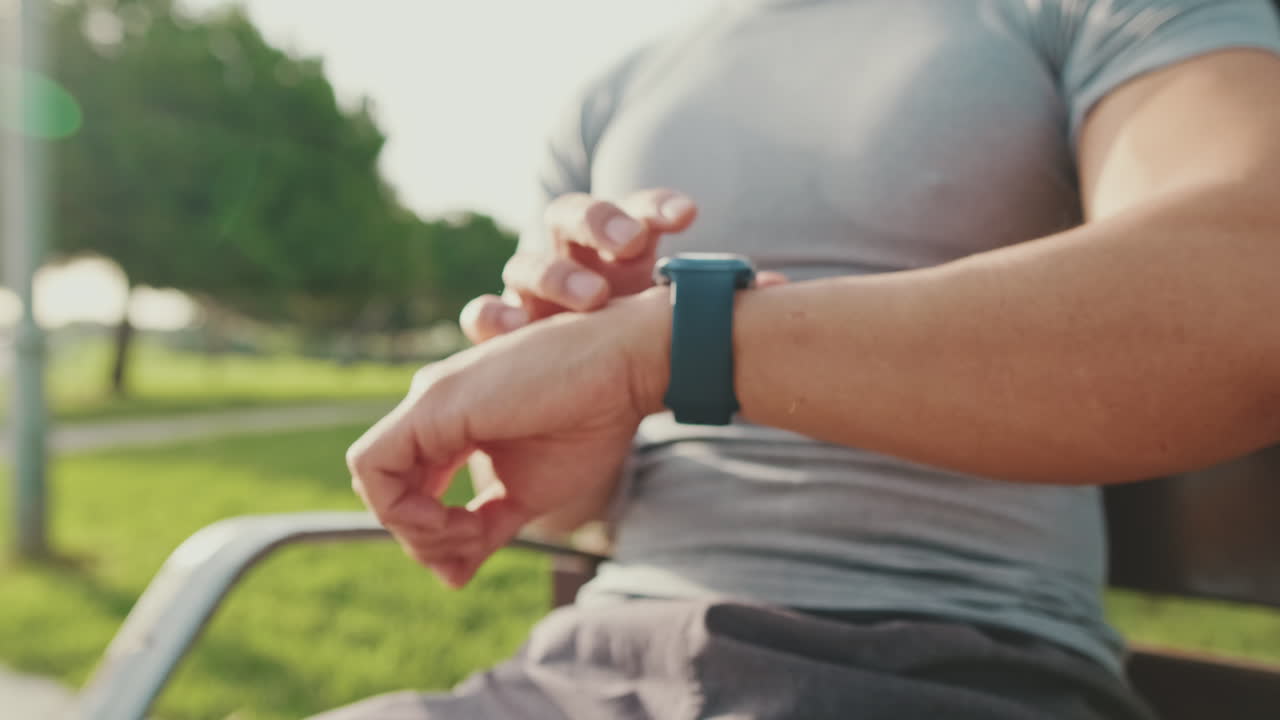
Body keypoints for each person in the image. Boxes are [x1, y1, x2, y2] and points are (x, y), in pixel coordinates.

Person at [325, 0, 1280, 717]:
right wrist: (581, 449)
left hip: (957, 674)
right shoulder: (614, 90)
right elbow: (582, 506)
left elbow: (1250, 288)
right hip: (586, 671)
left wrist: (670, 348)